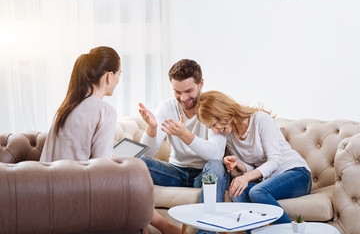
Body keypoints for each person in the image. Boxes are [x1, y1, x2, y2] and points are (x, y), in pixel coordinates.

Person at [40, 46, 181, 234]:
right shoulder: (103, 111)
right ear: (109, 76)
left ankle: (162, 226)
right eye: (119, 74)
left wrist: (113, 155)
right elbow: (101, 171)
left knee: (130, 185)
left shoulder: (65, 109)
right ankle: (166, 226)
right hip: (79, 195)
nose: (118, 81)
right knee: (132, 186)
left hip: (49, 194)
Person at [196, 90, 312, 225]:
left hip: (297, 174)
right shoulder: (229, 135)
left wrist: (245, 177)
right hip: (270, 182)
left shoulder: (261, 119)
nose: (215, 130)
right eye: (211, 127)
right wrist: (238, 163)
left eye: (214, 124)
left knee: (257, 191)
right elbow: (254, 167)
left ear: (223, 112)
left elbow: (275, 161)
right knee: (236, 192)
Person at [138, 59, 229, 203]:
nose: (183, 98)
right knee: (136, 161)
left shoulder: (213, 107)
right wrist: (152, 128)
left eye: (189, 91)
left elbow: (216, 154)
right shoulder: (167, 107)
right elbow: (147, 153)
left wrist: (185, 135)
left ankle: (205, 225)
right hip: (174, 173)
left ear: (201, 84)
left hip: (203, 173)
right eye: (177, 92)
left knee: (216, 166)